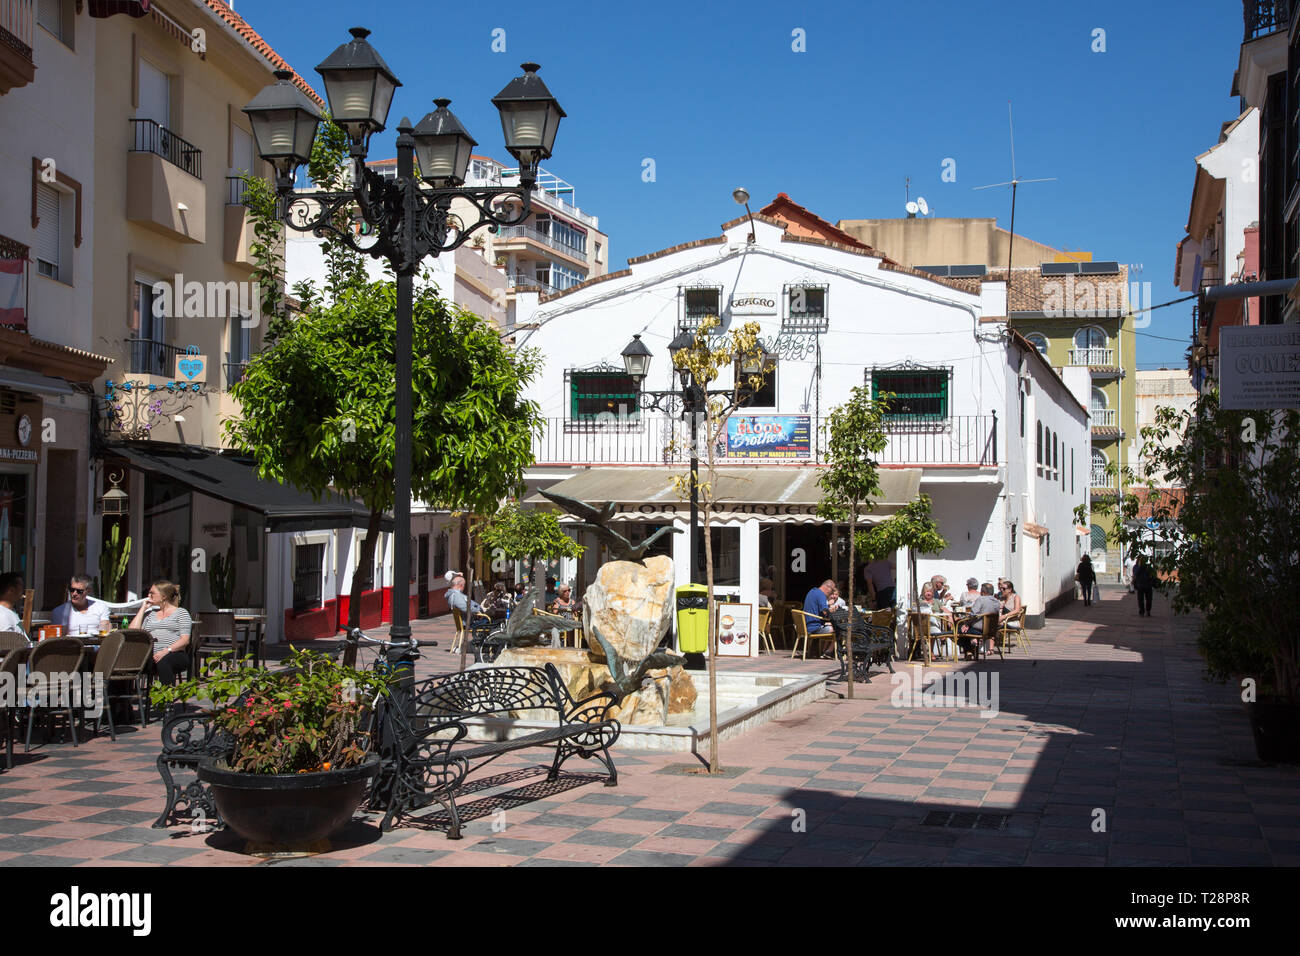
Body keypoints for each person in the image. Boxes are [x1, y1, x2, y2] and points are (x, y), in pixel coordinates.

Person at [130, 580, 192, 685]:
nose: (148, 596)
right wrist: (143, 608)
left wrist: (166, 651)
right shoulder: (150, 615)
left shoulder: (181, 613)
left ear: (163, 596)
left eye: (152, 593)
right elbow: (132, 632)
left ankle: (166, 698)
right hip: (150, 655)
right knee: (123, 660)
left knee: (163, 661)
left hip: (174, 653)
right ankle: (119, 698)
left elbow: (185, 640)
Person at [959, 583, 1003, 657]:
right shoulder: (996, 601)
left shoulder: (981, 599)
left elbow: (973, 614)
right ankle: (972, 647)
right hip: (991, 630)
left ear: (983, 592)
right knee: (965, 630)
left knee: (959, 631)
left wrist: (966, 624)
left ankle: (970, 651)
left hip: (979, 629)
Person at [0, 572, 28, 642]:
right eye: (21, 586)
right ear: (11, 590)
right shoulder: (3, 615)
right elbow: (6, 646)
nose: (23, 591)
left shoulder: (9, 611)